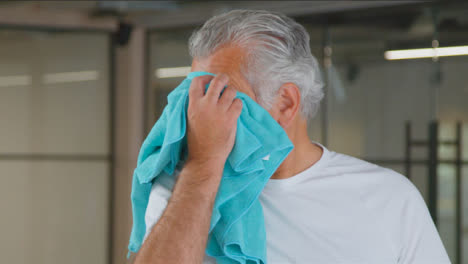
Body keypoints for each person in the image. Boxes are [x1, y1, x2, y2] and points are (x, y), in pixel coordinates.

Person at [133, 9, 451, 264]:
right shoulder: (182, 188)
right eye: (194, 95)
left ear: (285, 103)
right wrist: (203, 166)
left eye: (219, 94)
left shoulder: (389, 199)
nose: (196, 114)